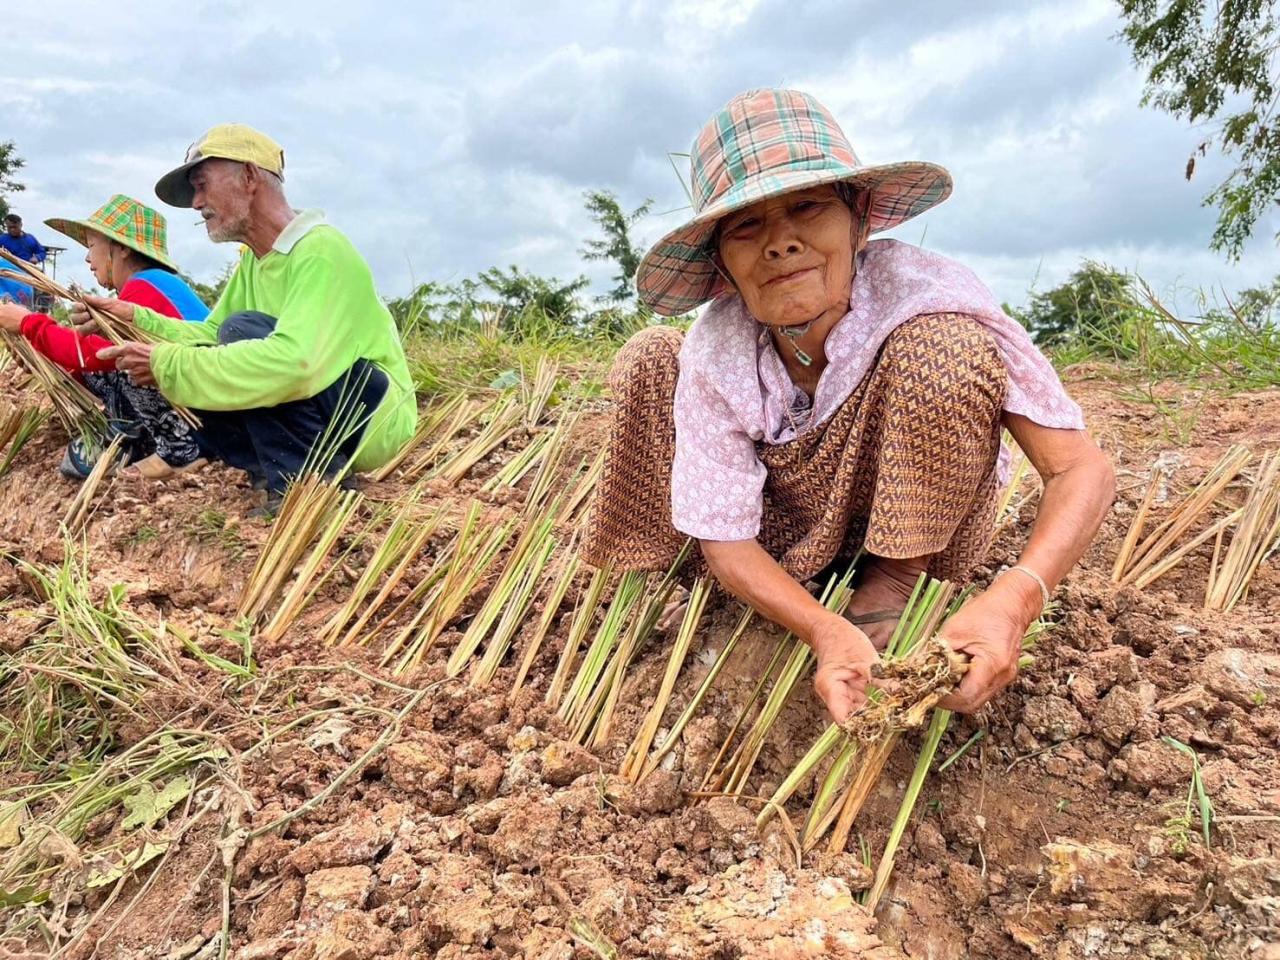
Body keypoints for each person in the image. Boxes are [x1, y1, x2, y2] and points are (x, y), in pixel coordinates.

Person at [582, 89, 1115, 723]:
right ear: (722, 262)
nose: (781, 244)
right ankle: (679, 582)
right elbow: (726, 537)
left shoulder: (925, 293)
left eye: (806, 208)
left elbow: (1079, 469)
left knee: (944, 346)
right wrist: (821, 629)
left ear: (858, 219)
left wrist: (1014, 598)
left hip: (895, 521)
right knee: (650, 357)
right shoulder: (718, 344)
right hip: (775, 530)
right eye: (748, 226)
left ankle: (892, 581)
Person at [74, 123, 417, 513]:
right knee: (213, 349)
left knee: (235, 335)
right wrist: (134, 318)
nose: (196, 203)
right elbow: (207, 333)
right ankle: (273, 473)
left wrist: (167, 363)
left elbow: (297, 363)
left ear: (250, 176)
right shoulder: (255, 262)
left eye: (202, 185)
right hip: (331, 406)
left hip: (372, 416)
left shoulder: (320, 250)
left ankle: (307, 482)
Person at [0, 195, 210, 478]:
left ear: (121, 249)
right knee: (109, 369)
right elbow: (91, 366)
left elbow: (94, 355)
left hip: (204, 411)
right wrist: (43, 357)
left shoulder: (146, 286)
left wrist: (28, 322)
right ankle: (143, 438)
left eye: (90, 246)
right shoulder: (148, 286)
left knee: (128, 360)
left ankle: (179, 451)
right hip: (199, 403)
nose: (87, 258)